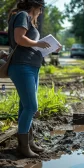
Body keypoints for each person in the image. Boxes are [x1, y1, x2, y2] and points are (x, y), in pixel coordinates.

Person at [7, 0, 58, 158]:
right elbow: (19, 38)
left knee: (25, 106)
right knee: (31, 107)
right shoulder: (23, 15)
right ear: (35, 7)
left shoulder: (26, 18)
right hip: (23, 66)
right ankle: (22, 146)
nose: (41, 13)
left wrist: (49, 46)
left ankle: (28, 141)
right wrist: (39, 43)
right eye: (41, 9)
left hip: (30, 66)